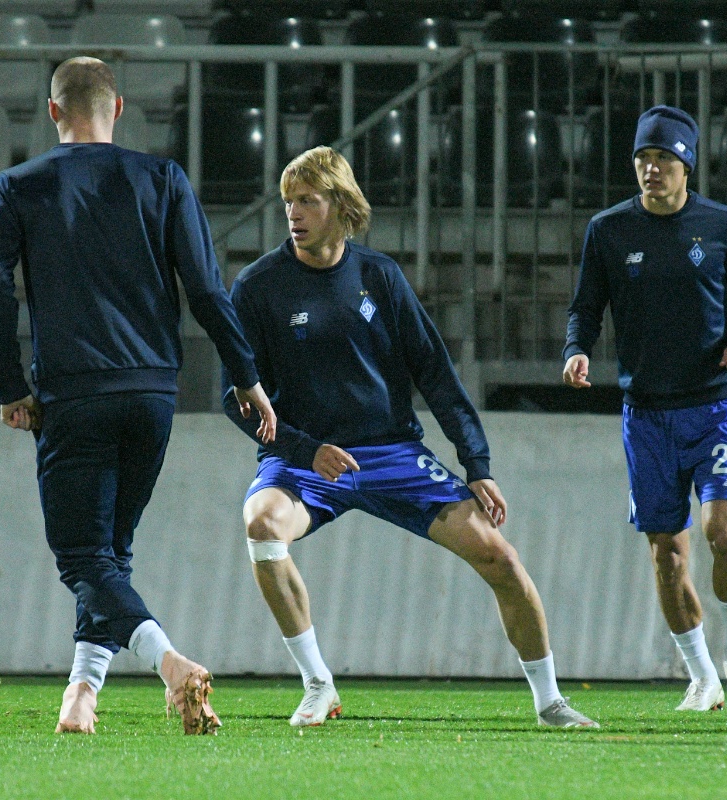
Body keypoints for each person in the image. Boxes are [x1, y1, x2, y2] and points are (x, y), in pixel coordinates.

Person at [223, 146, 597, 729]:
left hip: (392, 453)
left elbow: (436, 375)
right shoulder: (257, 287)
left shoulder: (380, 276)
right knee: (262, 525)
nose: (293, 213)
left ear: (340, 205)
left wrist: (477, 463)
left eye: (307, 201)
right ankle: (318, 685)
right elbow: (236, 398)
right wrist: (303, 449)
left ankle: (550, 702)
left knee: (500, 557)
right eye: (288, 201)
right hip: (306, 459)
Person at [0, 57, 276, 736]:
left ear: (53, 112)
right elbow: (206, 289)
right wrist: (246, 375)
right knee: (110, 552)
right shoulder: (163, 178)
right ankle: (81, 696)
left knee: (82, 556)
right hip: (152, 392)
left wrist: (10, 387)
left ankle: (169, 663)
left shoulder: (17, 186)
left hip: (74, 391)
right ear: (118, 108)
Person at [563, 105, 727, 712]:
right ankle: (701, 676)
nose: (652, 169)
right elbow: (585, 308)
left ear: (687, 165)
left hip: (715, 407)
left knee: (722, 532)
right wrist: (576, 350)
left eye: (664, 159)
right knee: (667, 554)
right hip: (647, 415)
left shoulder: (723, 225)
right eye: (643, 158)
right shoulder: (608, 230)